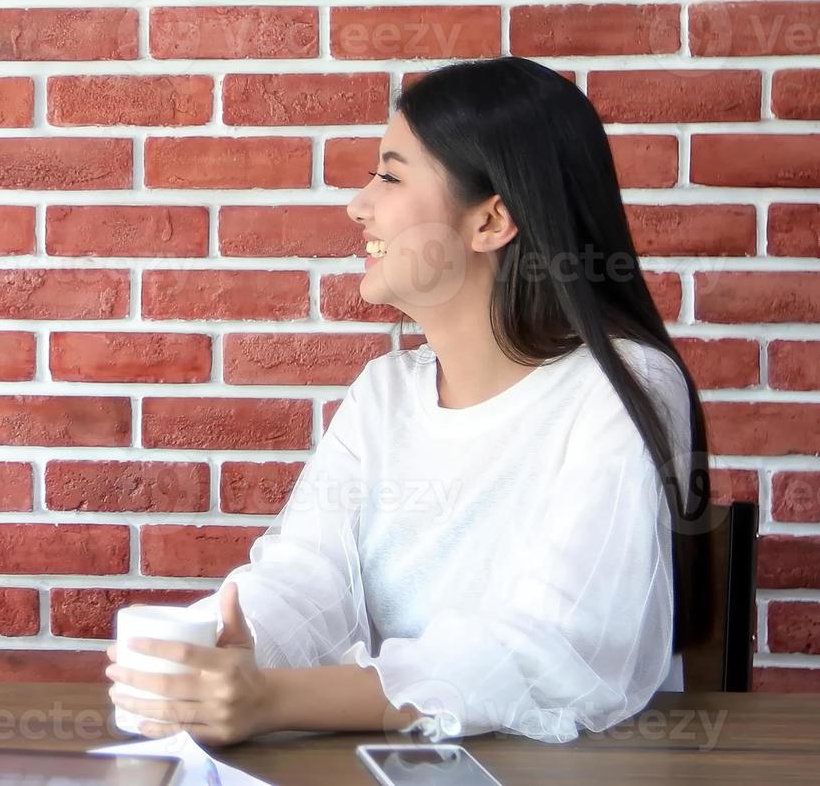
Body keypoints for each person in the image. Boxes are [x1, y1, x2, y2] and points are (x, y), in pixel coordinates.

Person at [108, 56, 712, 745]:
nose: (357, 205)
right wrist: (217, 654)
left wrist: (272, 699)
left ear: (490, 220)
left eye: (390, 175)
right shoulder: (384, 393)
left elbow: (561, 651)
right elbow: (307, 576)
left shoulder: (619, 386)